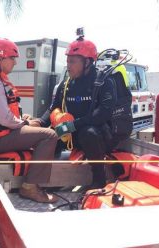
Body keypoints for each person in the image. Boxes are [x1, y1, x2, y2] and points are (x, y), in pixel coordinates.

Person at [0, 37, 58, 203]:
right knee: (50, 135)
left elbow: (1, 115)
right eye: (12, 58)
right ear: (0, 59)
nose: (15, 62)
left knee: (37, 122)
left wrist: (24, 119)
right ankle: (30, 187)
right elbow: (6, 119)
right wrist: (25, 123)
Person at [52, 38, 131, 190]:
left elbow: (103, 114)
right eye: (67, 61)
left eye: (73, 62)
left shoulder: (104, 82)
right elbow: (53, 107)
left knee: (88, 133)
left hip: (100, 135)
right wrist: (38, 123)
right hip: (73, 131)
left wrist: (72, 126)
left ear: (87, 62)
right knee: (48, 135)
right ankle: (47, 180)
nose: (68, 66)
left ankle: (99, 179)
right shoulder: (67, 83)